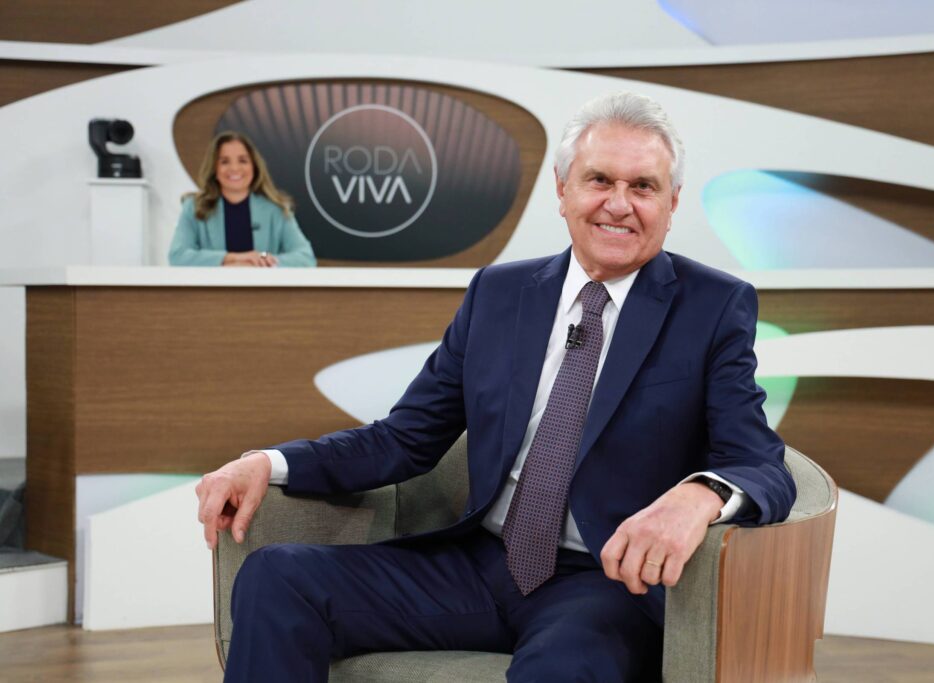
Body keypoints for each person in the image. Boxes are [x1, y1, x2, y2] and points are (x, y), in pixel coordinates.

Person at [195, 92, 796, 682]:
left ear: (672, 202)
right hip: (479, 562)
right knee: (279, 577)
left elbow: (759, 462)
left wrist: (698, 496)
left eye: (643, 186)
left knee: (560, 671)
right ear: (562, 189)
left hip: (603, 585)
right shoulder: (498, 293)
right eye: (599, 180)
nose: (619, 204)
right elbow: (404, 438)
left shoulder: (713, 306)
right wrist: (269, 463)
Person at [168, 131, 316, 267]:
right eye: (224, 162)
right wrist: (230, 258)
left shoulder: (276, 209)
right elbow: (177, 256)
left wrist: (262, 260)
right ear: (214, 169)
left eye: (243, 161)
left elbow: (306, 258)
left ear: (254, 167)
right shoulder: (193, 207)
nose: (234, 168)